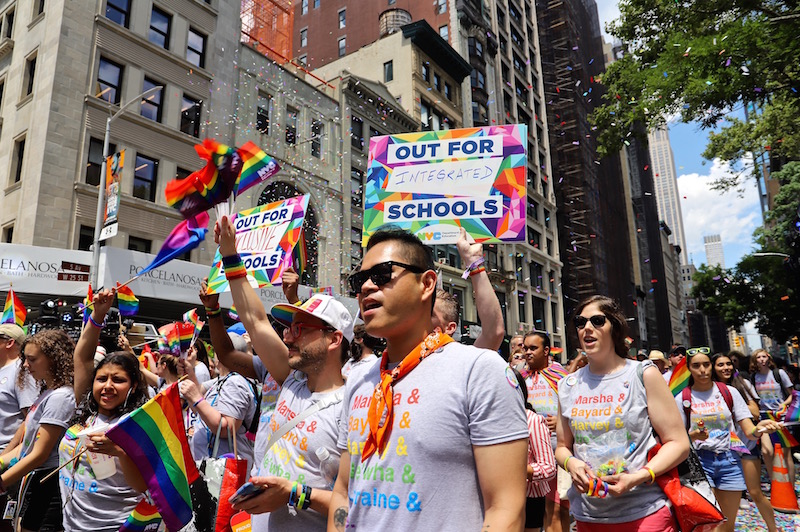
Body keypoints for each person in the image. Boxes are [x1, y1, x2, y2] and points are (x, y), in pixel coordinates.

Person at [330, 227, 528, 530]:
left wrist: (474, 264)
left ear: (426, 284)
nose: (366, 287)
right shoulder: (358, 379)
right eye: (359, 280)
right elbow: (343, 492)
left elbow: (505, 508)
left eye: (382, 274)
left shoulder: (479, 370)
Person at [216, 215, 354, 531]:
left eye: (301, 329)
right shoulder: (291, 379)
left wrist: (294, 494)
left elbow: (355, 504)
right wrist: (229, 254)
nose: (288, 337)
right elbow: (256, 320)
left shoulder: (352, 406)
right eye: (289, 328)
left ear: (334, 339)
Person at [555, 295, 689, 531]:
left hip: (645, 514)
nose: (587, 327)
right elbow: (562, 447)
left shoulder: (643, 374)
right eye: (580, 322)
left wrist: (639, 476)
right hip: (588, 517)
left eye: (597, 321)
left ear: (614, 327)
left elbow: (678, 443)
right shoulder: (567, 385)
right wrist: (571, 463)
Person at [59, 288, 149, 531]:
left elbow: (143, 486)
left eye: (118, 380)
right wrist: (98, 315)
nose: (108, 386)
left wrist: (120, 451)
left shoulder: (137, 423)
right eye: (102, 379)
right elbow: (82, 357)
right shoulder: (84, 409)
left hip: (115, 527)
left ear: (134, 385)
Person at [679, 347, 780, 532]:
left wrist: (761, 428)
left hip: (729, 462)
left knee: (727, 524)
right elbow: (676, 438)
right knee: (707, 523)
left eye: (706, 364)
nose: (702, 370)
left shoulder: (729, 392)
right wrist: (693, 436)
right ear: (689, 369)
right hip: (699, 463)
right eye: (696, 366)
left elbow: (749, 430)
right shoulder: (682, 398)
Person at [0, 329, 76, 532]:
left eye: (32, 359)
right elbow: (27, 445)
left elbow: (40, 454)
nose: (25, 365)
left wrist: (2, 481)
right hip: (35, 479)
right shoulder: (47, 393)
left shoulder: (61, 397)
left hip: (49, 483)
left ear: (53, 359)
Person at [712, 352, 777, 532]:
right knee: (719, 500)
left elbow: (756, 413)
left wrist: (730, 400)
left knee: (755, 492)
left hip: (745, 445)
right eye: (720, 365)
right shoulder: (707, 389)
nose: (726, 368)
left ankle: (773, 528)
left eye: (728, 364)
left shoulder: (742, 384)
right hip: (723, 450)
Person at [180, 333, 257, 469]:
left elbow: (227, 429)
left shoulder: (235, 383)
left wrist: (197, 399)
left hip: (223, 473)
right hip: (213, 470)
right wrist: (190, 370)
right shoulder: (224, 380)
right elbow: (200, 405)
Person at [522, 331, 569, 532]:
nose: (527, 352)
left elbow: (577, 410)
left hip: (558, 452)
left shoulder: (562, 377)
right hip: (530, 458)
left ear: (547, 351)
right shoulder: (518, 378)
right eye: (525, 348)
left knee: (557, 511)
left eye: (533, 348)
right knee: (534, 514)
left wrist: (561, 421)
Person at [429, 228, 505, 351]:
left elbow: (494, 332)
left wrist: (474, 262)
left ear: (450, 328)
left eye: (430, 314)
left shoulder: (461, 361)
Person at [0, 324, 37, 532]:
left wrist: (6, 456)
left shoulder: (21, 372)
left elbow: (30, 420)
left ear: (9, 342)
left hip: (6, 461)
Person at [512, 367, 556, 532]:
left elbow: (548, 467)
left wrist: (519, 470)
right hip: (500, 497)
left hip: (529, 499)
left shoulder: (532, 421)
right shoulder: (488, 419)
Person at [750, 348, 795, 485]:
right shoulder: (754, 377)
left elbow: (792, 394)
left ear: (769, 358)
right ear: (755, 360)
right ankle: (775, 484)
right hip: (764, 416)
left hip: (780, 416)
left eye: (764, 356)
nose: (762, 359)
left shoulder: (778, 373)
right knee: (766, 451)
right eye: (759, 357)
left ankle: (790, 486)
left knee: (785, 453)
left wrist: (784, 405)